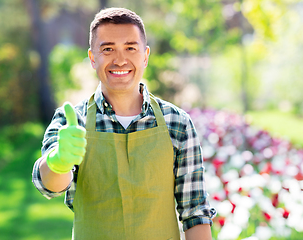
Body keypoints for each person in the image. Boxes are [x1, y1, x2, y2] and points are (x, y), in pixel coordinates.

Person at [32, 7, 216, 240]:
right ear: (92, 58)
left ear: (145, 56)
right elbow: (47, 185)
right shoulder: (72, 122)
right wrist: (59, 162)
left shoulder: (177, 123)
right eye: (108, 49)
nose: (120, 60)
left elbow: (195, 212)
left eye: (130, 48)